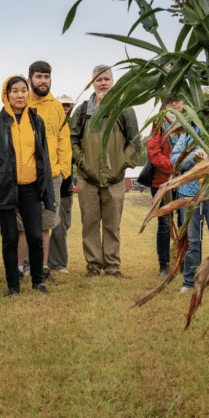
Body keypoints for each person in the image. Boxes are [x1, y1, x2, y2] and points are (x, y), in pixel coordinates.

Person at [0, 76, 56, 296]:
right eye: (15, 91)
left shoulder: (37, 121)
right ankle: (13, 286)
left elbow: (44, 158)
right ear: (7, 94)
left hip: (30, 189)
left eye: (24, 90)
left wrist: (47, 191)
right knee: (10, 238)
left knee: (35, 237)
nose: (20, 95)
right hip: (4, 189)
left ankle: (38, 282)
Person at [69, 65, 141, 278]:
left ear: (113, 82)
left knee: (112, 226)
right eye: (98, 80)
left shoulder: (125, 110)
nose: (103, 83)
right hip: (87, 178)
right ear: (92, 83)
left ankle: (112, 267)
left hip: (115, 179)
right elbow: (72, 140)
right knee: (89, 225)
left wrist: (121, 164)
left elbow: (135, 142)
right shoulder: (82, 111)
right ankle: (93, 266)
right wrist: (82, 161)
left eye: (106, 79)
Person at [18, 61, 71, 283]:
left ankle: (43, 268)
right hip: (25, 175)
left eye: (46, 77)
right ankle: (21, 268)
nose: (43, 81)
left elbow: (64, 140)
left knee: (46, 224)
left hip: (52, 176)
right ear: (29, 80)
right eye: (39, 76)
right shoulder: (21, 103)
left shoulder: (57, 107)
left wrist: (62, 171)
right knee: (23, 225)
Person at [171, 126, 209, 293]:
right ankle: (190, 282)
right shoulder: (188, 132)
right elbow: (174, 159)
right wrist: (193, 157)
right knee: (192, 241)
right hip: (189, 194)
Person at [147, 95, 182, 277]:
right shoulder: (158, 124)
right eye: (170, 101)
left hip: (185, 180)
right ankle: (164, 264)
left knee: (184, 221)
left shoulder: (188, 124)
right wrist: (174, 167)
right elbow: (153, 152)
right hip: (162, 181)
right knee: (164, 223)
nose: (174, 104)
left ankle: (183, 261)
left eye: (178, 100)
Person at [48, 94, 76, 273]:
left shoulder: (75, 127)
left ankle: (57, 263)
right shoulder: (47, 124)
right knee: (38, 226)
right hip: (46, 183)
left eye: (68, 106)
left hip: (65, 186)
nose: (65, 109)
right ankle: (30, 263)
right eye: (62, 105)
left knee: (61, 226)